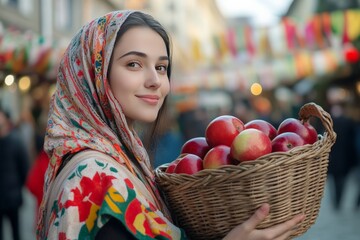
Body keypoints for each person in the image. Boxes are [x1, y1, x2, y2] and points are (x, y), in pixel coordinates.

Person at [36, 10, 305, 240]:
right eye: (133, 64)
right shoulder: (94, 176)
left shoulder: (117, 160)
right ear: (93, 75)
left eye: (162, 67)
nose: (155, 80)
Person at [0, 107, 30, 240]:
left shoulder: (16, 141)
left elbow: (24, 167)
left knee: (16, 231)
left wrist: (19, 185)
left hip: (12, 195)